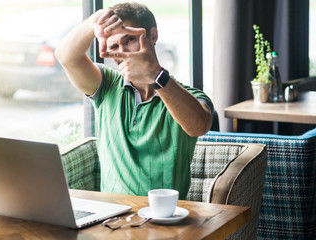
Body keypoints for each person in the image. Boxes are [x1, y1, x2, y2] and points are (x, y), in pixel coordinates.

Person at [55, 2, 213, 200]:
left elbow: (199, 125)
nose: (122, 51)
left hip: (165, 220)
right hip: (112, 219)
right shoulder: (107, 86)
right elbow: (65, 57)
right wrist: (94, 22)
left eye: (129, 39)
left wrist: (156, 75)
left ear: (153, 36)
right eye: (113, 46)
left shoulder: (186, 95)